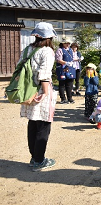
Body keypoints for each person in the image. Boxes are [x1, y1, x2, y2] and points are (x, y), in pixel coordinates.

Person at [20, 22, 57, 172]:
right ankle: (39, 160)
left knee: (33, 124)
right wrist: (45, 93)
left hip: (28, 90)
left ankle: (34, 157)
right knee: (43, 126)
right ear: (49, 36)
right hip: (41, 91)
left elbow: (19, 67)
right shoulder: (47, 51)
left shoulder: (28, 49)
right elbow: (44, 74)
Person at [55, 37, 76, 104]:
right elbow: (58, 59)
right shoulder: (60, 50)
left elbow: (72, 58)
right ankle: (63, 98)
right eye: (66, 43)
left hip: (70, 68)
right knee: (62, 84)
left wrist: (76, 61)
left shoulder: (70, 50)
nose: (67, 44)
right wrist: (65, 63)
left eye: (68, 43)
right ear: (63, 43)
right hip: (62, 68)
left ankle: (70, 98)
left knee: (70, 84)